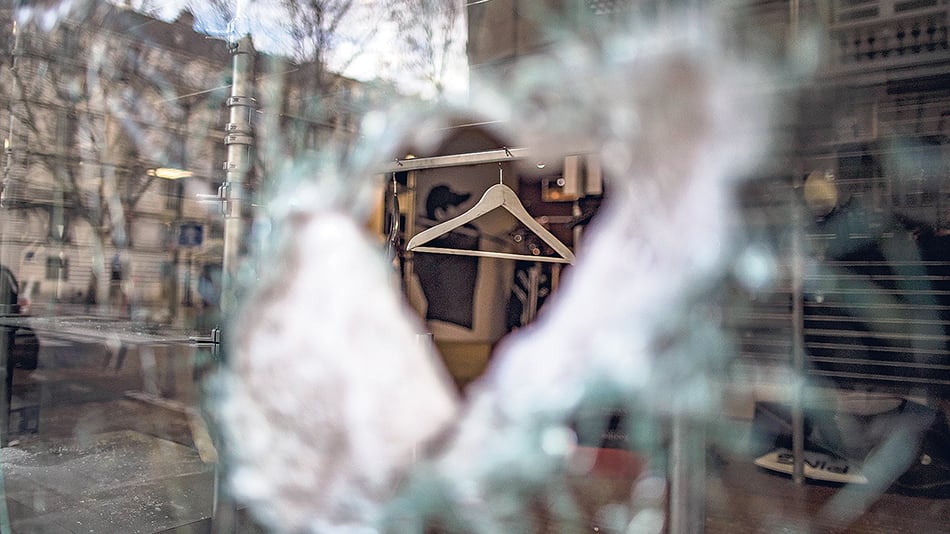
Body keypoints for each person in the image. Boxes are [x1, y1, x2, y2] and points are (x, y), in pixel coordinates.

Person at [412, 184, 479, 329]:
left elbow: (472, 234)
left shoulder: (468, 235)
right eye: (455, 207)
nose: (461, 212)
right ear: (440, 214)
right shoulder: (423, 249)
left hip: (460, 327)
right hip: (440, 324)